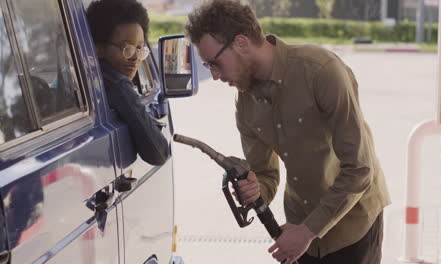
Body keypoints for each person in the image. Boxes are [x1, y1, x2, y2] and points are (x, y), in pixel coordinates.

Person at [185, 1, 391, 263]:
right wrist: (254, 188)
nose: (214, 76)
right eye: (208, 67)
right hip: (298, 227)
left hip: (353, 224)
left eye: (215, 63)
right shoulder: (245, 102)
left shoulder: (321, 71)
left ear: (241, 43)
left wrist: (307, 231)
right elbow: (266, 175)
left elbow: (360, 169)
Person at [86, 0, 169, 166]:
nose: (135, 57)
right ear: (99, 48)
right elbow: (159, 153)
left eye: (140, 48)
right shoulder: (117, 85)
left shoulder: (85, 76)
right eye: (127, 48)